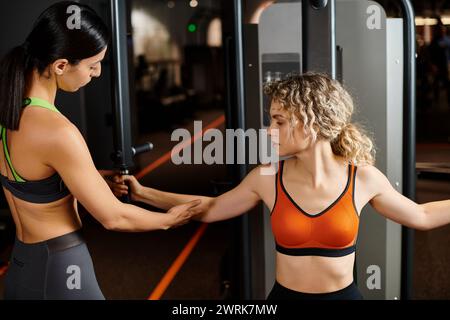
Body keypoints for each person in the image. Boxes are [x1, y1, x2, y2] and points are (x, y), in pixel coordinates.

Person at [113, 73, 450, 300]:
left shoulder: (361, 177)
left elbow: (420, 216)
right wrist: (143, 193)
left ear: (312, 122)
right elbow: (211, 208)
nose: (268, 129)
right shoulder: (268, 177)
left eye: (278, 121)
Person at [0, 2, 200, 300]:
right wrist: (169, 219)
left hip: (21, 265)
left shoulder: (9, 114)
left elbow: (33, 179)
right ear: (61, 66)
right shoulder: (59, 131)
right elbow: (114, 217)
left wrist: (91, 178)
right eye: (93, 65)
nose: (95, 74)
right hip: (62, 267)